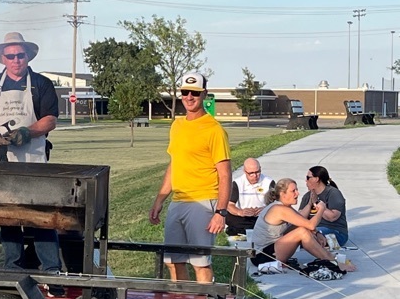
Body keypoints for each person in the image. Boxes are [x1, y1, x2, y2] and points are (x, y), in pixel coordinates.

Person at [0, 32, 64, 297]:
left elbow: (50, 119)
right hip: (1, 161)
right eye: (10, 56)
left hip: (33, 159)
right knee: (8, 216)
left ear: (28, 56)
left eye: (20, 55)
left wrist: (27, 132)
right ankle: (12, 269)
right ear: (3, 58)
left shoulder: (41, 84)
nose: (16, 60)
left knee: (40, 216)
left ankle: (51, 272)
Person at [149, 72, 232, 283]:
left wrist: (221, 212)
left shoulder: (214, 130)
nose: (189, 97)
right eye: (185, 92)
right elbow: (174, 164)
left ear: (204, 94)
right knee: (172, 261)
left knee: (200, 263)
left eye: (194, 93)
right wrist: (160, 199)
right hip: (179, 201)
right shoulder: (177, 125)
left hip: (203, 202)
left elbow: (225, 174)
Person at [251, 178, 354, 272]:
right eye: (293, 191)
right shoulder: (279, 209)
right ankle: (333, 262)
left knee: (302, 228)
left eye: (297, 190)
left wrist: (317, 232)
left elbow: (301, 218)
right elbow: (311, 225)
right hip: (262, 256)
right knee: (302, 232)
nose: (297, 193)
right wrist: (321, 210)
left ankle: (331, 258)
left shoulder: (282, 207)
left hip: (269, 251)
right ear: (283, 194)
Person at [298, 166, 350, 248]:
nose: (306, 180)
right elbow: (300, 218)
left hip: (335, 231)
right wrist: (309, 204)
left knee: (307, 236)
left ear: (316, 179)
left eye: (308, 177)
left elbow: (332, 217)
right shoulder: (307, 196)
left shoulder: (333, 193)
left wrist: (316, 202)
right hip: (314, 230)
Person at [225, 158, 275, 236]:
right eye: (251, 173)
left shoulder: (268, 182)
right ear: (245, 171)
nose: (255, 176)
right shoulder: (237, 183)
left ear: (260, 169)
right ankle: (255, 229)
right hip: (244, 216)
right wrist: (240, 212)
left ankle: (244, 230)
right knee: (227, 216)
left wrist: (265, 209)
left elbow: (276, 203)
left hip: (263, 216)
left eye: (257, 172)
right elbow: (229, 205)